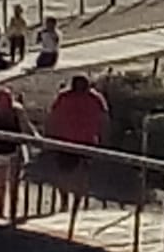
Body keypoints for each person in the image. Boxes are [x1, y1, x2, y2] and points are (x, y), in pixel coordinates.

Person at [47, 75, 109, 237]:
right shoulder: (93, 98)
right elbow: (104, 119)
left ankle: (68, 204)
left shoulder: (68, 96)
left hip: (73, 141)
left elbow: (52, 116)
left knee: (68, 174)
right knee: (76, 175)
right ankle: (71, 204)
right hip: (78, 141)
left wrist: (52, 135)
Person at [0, 88, 32, 220]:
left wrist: (31, 140)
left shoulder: (17, 111)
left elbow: (25, 127)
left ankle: (12, 212)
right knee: (0, 185)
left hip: (14, 151)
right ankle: (0, 212)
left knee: (14, 184)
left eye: (8, 100)